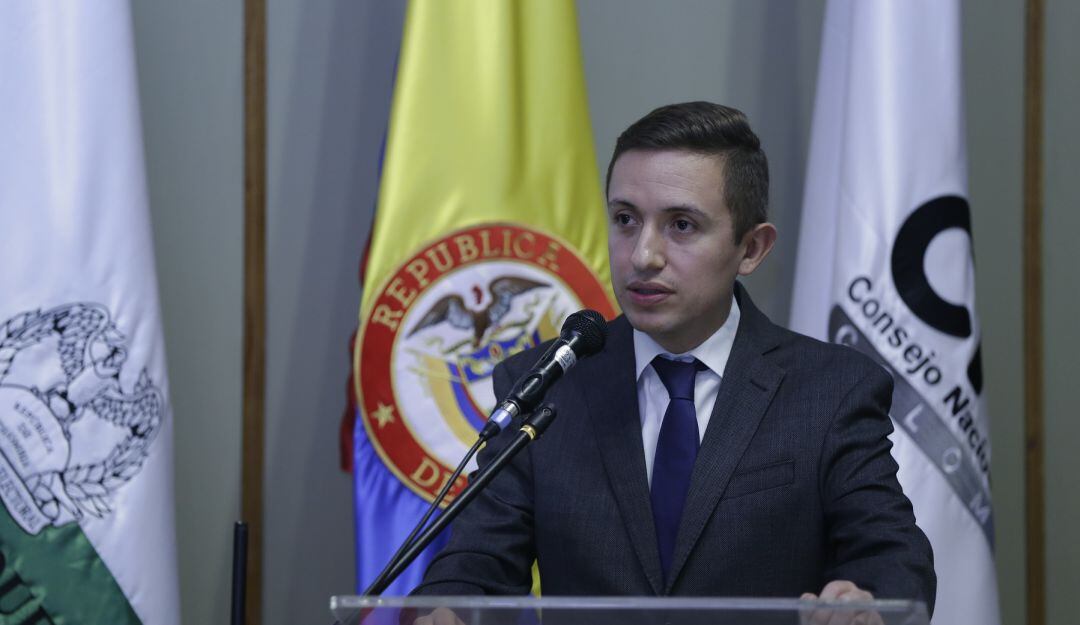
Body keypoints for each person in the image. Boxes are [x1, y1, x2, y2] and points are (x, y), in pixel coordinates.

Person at [412, 102, 936, 614]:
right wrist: (446, 612)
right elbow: (474, 566)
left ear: (751, 249)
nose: (642, 255)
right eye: (625, 219)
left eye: (681, 225)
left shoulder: (830, 388)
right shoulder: (546, 382)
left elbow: (890, 554)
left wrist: (868, 602)